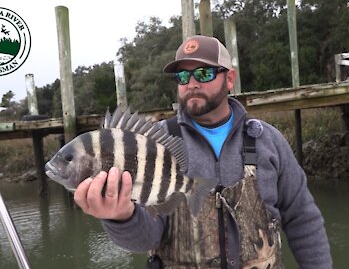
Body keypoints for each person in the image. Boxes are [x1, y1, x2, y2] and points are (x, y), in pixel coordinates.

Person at [74, 35, 333, 268]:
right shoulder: (154, 143)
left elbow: (303, 220)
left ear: (229, 79)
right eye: (183, 77)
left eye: (204, 73)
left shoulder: (268, 140)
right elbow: (146, 239)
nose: (192, 83)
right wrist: (121, 217)